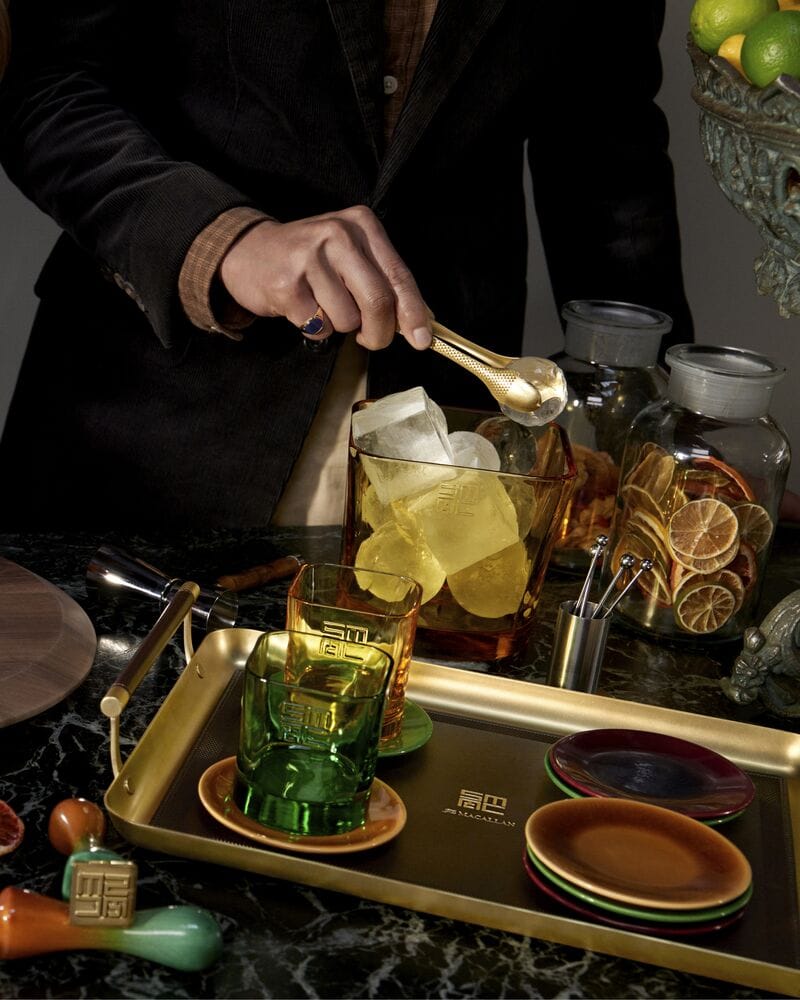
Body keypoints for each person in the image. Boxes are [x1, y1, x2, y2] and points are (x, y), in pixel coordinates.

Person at [0, 1, 693, 530]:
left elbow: (609, 164)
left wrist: (671, 439)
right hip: (148, 426)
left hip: (443, 446)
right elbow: (48, 85)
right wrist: (221, 241)